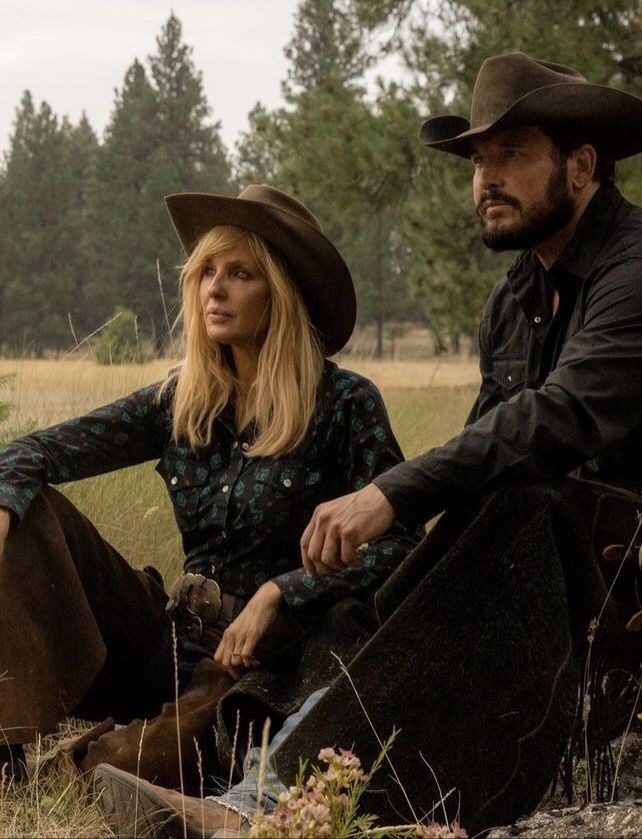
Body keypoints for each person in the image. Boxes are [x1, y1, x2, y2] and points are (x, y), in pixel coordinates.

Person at [95, 53, 642, 837]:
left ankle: (259, 813)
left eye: (510, 154)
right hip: (550, 568)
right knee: (365, 599)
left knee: (522, 504)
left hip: (621, 580)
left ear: (582, 165)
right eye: (477, 161)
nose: (484, 178)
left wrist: (390, 492)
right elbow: (484, 459)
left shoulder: (633, 268)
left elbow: (557, 419)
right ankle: (258, 776)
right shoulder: (515, 297)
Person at [0, 185, 418, 792]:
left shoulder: (346, 404)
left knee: (131, 768)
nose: (213, 290)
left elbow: (401, 542)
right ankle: (9, 745)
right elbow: (32, 451)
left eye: (240, 273)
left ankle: (100, 755)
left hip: (252, 665)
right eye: (206, 273)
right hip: (164, 637)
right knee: (28, 505)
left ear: (282, 292)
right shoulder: (183, 397)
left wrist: (283, 590)